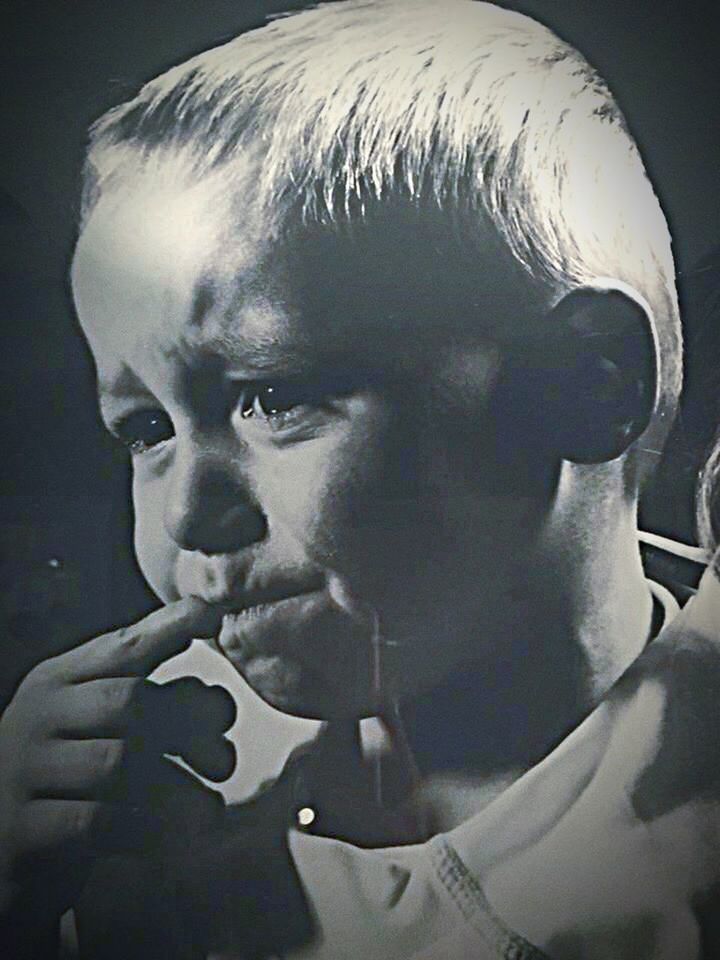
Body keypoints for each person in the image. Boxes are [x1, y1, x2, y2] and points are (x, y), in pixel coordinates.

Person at [0, 1, 717, 957]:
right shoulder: (149, 782)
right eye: (144, 430)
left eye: (273, 393)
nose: (184, 514)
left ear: (585, 384)